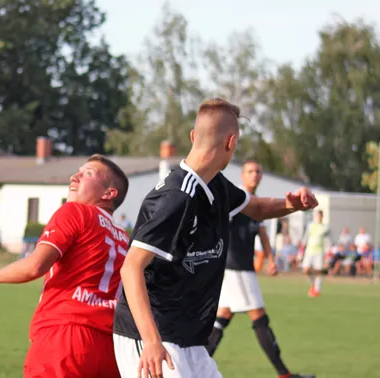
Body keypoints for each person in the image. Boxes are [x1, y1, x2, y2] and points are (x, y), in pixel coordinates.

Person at [112, 98, 318, 378]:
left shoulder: (215, 185)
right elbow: (131, 266)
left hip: (189, 341)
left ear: (194, 137)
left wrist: (292, 204)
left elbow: (255, 208)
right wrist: (150, 341)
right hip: (153, 336)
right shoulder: (176, 197)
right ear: (231, 143)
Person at [0, 154, 130, 378]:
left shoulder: (75, 211)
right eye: (78, 171)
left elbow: (35, 265)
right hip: (112, 348)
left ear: (108, 193)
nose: (75, 176)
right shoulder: (124, 237)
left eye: (88, 173)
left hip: (65, 337)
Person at [206, 159, 315, 378]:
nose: (255, 174)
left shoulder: (256, 202)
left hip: (239, 270)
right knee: (260, 318)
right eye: (250, 171)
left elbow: (262, 230)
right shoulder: (238, 200)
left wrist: (270, 258)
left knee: (222, 318)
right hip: (236, 269)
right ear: (242, 176)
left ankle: (191, 369)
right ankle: (284, 374)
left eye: (258, 171)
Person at [300, 210, 330, 297]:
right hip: (309, 251)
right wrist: (301, 251)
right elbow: (305, 238)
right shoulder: (310, 225)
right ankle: (313, 285)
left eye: (320, 216)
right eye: (318, 216)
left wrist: (328, 253)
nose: (319, 217)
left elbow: (328, 241)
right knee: (305, 270)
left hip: (319, 252)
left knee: (318, 271)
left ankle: (317, 290)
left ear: (322, 217)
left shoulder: (325, 227)